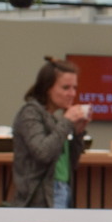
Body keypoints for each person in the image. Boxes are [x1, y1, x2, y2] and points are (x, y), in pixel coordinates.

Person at [11, 57, 90, 209]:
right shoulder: (30, 113)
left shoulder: (55, 119)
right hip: (40, 198)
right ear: (47, 88)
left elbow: (70, 164)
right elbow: (43, 153)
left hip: (62, 190)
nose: (72, 93)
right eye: (66, 88)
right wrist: (67, 121)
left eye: (74, 88)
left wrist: (78, 133)